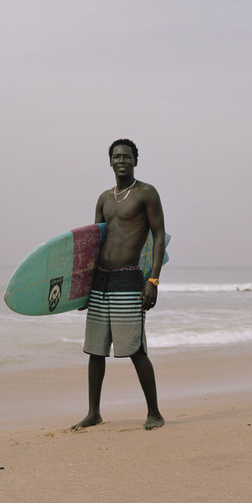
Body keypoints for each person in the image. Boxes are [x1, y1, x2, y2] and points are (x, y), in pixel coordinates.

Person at [72, 139, 166, 431]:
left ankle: (154, 413)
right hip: (101, 279)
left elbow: (159, 236)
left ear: (135, 160)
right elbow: (93, 242)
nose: (121, 160)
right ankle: (93, 413)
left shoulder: (146, 193)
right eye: (116, 156)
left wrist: (152, 279)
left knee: (135, 349)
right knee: (95, 350)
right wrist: (84, 287)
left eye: (126, 156)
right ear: (110, 162)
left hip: (128, 278)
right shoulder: (104, 198)